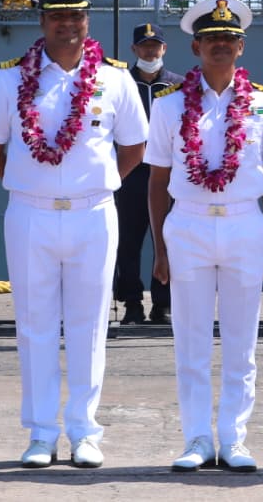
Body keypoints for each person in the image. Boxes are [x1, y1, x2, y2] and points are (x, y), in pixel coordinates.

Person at [0, 0, 146, 469]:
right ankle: (42, 432)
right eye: (57, 16)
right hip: (31, 215)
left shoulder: (114, 78)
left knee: (90, 325)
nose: (67, 24)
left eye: (75, 15)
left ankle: (85, 432)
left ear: (86, 20)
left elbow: (134, 146)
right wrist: (31, 185)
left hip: (94, 212)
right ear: (42, 21)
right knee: (35, 324)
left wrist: (99, 181)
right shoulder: (11, 78)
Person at [146, 0, 263, 473]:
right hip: (187, 224)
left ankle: (235, 438)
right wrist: (160, 248)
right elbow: (157, 180)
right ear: (196, 47)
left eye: (229, 39)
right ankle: (197, 438)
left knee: (242, 340)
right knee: (190, 338)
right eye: (212, 40)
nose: (220, 46)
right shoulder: (168, 106)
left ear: (241, 47)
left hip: (246, 223)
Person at [114, 23, 181, 325]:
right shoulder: (121, 83)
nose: (150, 51)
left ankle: (163, 303)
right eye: (144, 46)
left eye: (155, 46)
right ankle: (131, 303)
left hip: (168, 174)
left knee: (167, 239)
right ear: (134, 50)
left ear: (164, 49)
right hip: (132, 174)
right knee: (128, 240)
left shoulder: (179, 86)